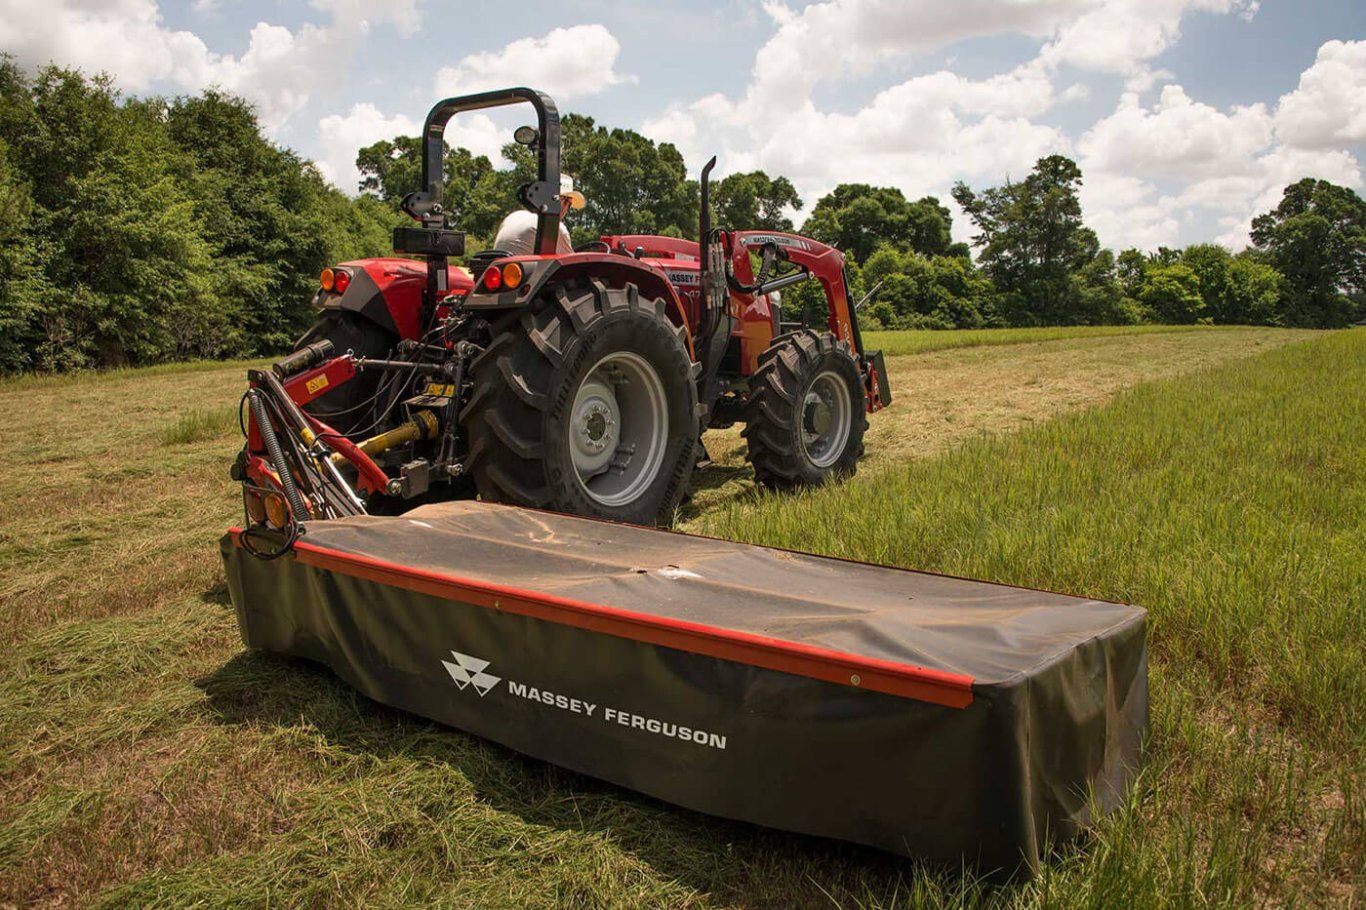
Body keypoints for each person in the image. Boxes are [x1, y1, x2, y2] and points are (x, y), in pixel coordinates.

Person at [491, 173, 586, 255]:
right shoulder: (553, 227)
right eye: (568, 203)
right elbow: (571, 266)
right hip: (527, 275)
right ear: (561, 200)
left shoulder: (512, 217)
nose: (567, 209)